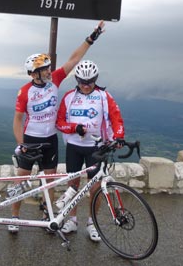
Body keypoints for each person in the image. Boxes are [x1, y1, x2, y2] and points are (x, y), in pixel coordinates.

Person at [9, 20, 106, 233]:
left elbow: (74, 59)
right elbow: (17, 119)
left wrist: (91, 38)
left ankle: (48, 216)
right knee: (21, 180)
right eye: (44, 70)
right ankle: (14, 217)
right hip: (31, 139)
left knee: (49, 182)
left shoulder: (55, 80)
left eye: (48, 69)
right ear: (34, 73)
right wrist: (21, 144)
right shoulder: (24, 91)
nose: (49, 72)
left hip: (50, 139)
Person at [56, 60, 125, 241]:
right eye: (82, 82)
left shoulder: (103, 96)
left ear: (95, 79)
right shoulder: (69, 97)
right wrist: (74, 128)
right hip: (74, 147)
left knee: (95, 188)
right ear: (77, 80)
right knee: (73, 186)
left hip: (96, 148)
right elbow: (59, 122)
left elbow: (116, 118)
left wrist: (118, 136)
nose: (86, 86)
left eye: (90, 82)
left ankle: (92, 223)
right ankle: (72, 220)